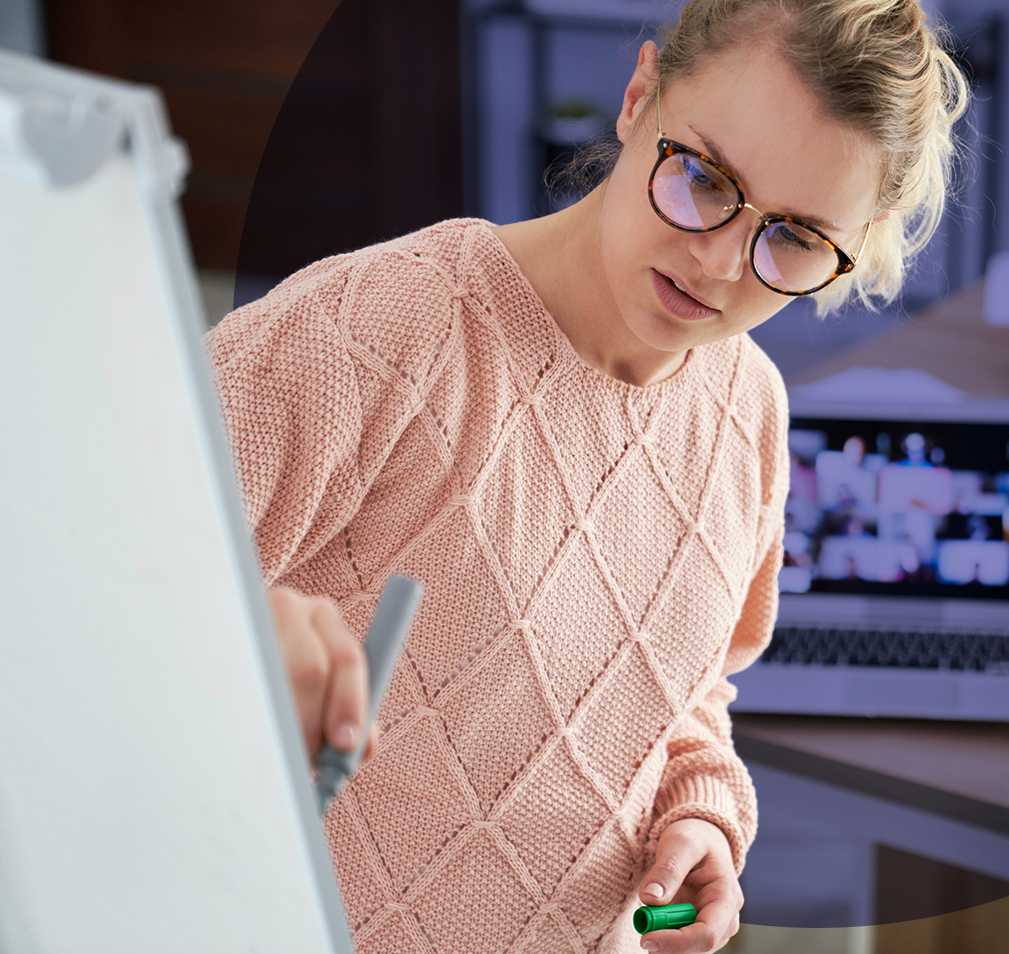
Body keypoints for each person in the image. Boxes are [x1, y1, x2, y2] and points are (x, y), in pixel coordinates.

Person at [204, 1, 969, 951]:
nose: (721, 262)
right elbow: (74, 581)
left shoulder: (749, 414)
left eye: (797, 240)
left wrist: (699, 815)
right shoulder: (370, 333)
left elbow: (681, 694)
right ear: (638, 95)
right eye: (703, 177)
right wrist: (219, 633)